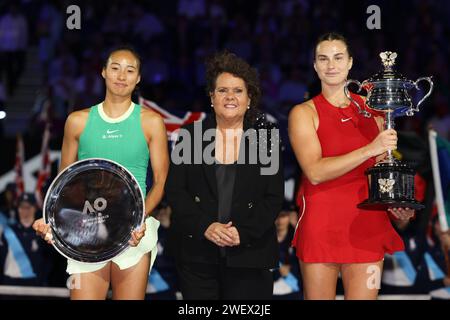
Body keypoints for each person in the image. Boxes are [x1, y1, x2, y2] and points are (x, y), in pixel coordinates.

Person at [33, 46, 169, 300]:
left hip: (133, 235)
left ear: (138, 78)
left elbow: (161, 182)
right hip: (86, 231)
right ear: (103, 72)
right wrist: (52, 222)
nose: (122, 75)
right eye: (115, 68)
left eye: (130, 70)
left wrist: (138, 221)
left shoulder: (151, 121)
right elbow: (65, 184)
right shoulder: (77, 121)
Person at [288, 32, 415, 300]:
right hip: (321, 228)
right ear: (314, 66)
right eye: (323, 59)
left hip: (368, 228)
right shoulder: (303, 113)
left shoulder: (375, 111)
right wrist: (370, 149)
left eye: (338, 58)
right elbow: (315, 172)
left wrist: (397, 208)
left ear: (350, 63)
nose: (330, 65)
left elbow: (383, 175)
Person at [166, 51, 284, 300]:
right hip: (197, 256)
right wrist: (205, 226)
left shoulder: (265, 139)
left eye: (238, 91)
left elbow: (273, 198)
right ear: (211, 97)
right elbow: (176, 192)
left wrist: (244, 232)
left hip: (251, 256)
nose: (230, 97)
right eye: (222, 90)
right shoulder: (190, 136)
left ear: (249, 98)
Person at [0, 193, 50, 286]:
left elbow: (49, 261)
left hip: (36, 284)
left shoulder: (42, 232)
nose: (24, 210)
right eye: (21, 207)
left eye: (28, 207)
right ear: (17, 209)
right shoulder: (8, 232)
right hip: (11, 283)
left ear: (34, 208)